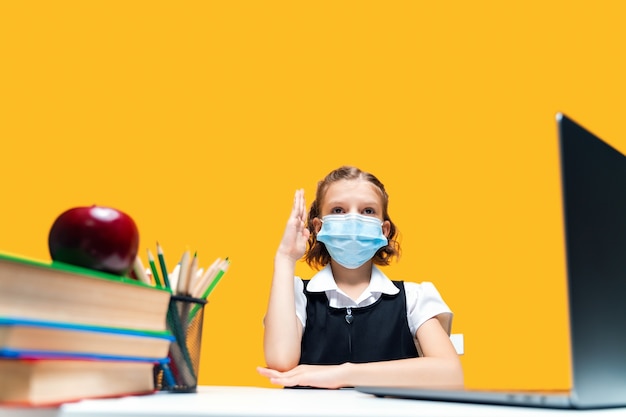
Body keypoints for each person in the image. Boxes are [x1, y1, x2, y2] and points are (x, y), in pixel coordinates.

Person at [257, 166, 463, 389]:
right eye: (338, 210)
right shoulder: (297, 295)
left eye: (367, 211)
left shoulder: (413, 298)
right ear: (318, 227)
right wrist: (285, 259)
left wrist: (343, 374)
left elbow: (450, 374)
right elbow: (280, 362)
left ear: (384, 230)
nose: (353, 219)